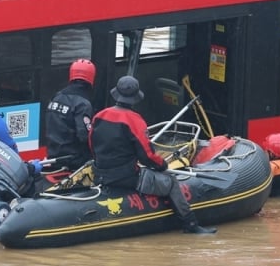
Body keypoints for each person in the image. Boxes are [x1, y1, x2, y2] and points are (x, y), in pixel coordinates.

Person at [89, 75, 216, 234]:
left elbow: (92, 146)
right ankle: (190, 224)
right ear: (135, 98)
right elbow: (147, 156)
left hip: (100, 175)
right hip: (127, 178)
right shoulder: (135, 121)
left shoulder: (99, 116)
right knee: (171, 183)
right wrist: (162, 165)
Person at [45, 59, 96, 171]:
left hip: (52, 154)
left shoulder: (57, 96)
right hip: (73, 160)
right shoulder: (83, 103)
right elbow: (84, 136)